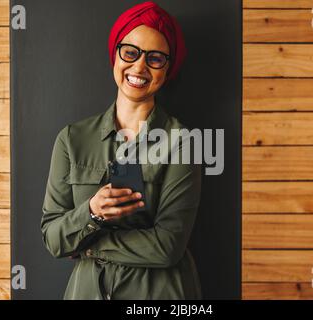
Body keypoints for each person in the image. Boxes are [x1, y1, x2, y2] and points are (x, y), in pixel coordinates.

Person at [40, 1, 202, 300]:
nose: (139, 66)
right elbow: (53, 238)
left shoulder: (183, 141)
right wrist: (91, 211)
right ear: (115, 56)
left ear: (167, 70)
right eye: (130, 52)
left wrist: (87, 243)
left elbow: (168, 247)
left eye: (155, 58)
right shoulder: (72, 139)